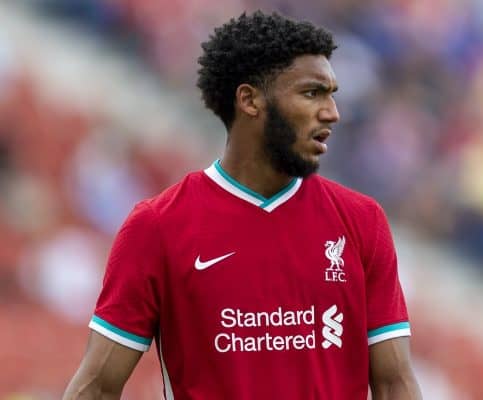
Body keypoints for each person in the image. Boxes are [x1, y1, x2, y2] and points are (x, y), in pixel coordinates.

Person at [63, 11, 422, 400]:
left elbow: (394, 383)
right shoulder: (157, 227)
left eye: (332, 94)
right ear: (249, 100)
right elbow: (97, 388)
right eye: (312, 93)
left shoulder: (361, 220)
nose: (332, 113)